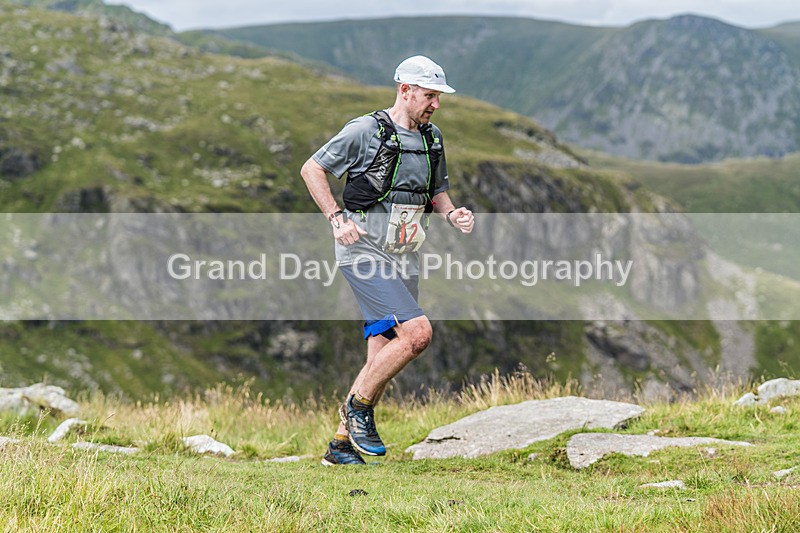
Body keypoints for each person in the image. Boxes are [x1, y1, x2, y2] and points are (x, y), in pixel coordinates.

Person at [300, 55, 475, 466]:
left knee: (380, 354)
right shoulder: (365, 130)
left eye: (438, 97)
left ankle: (340, 447)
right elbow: (312, 169)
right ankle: (357, 407)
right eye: (429, 95)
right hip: (363, 253)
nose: (434, 104)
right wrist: (336, 218)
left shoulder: (432, 139)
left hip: (404, 256)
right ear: (405, 90)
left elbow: (437, 192)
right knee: (416, 335)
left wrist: (452, 213)